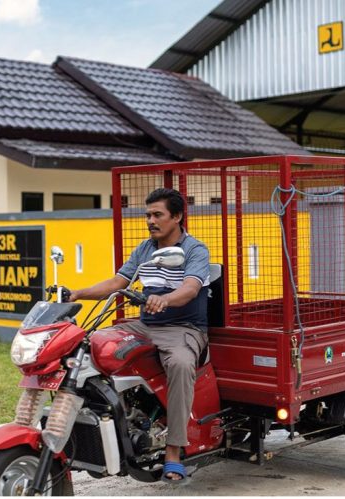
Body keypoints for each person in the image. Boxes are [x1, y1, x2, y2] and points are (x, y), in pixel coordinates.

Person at [67, 187, 210, 484]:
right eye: (148, 215)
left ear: (177, 216)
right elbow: (118, 282)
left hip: (183, 328)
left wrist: (165, 299)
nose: (150, 221)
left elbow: (190, 289)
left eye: (157, 215)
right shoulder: (145, 249)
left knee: (180, 364)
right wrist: (78, 293)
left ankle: (174, 450)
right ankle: (92, 427)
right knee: (90, 344)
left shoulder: (195, 250)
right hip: (145, 325)